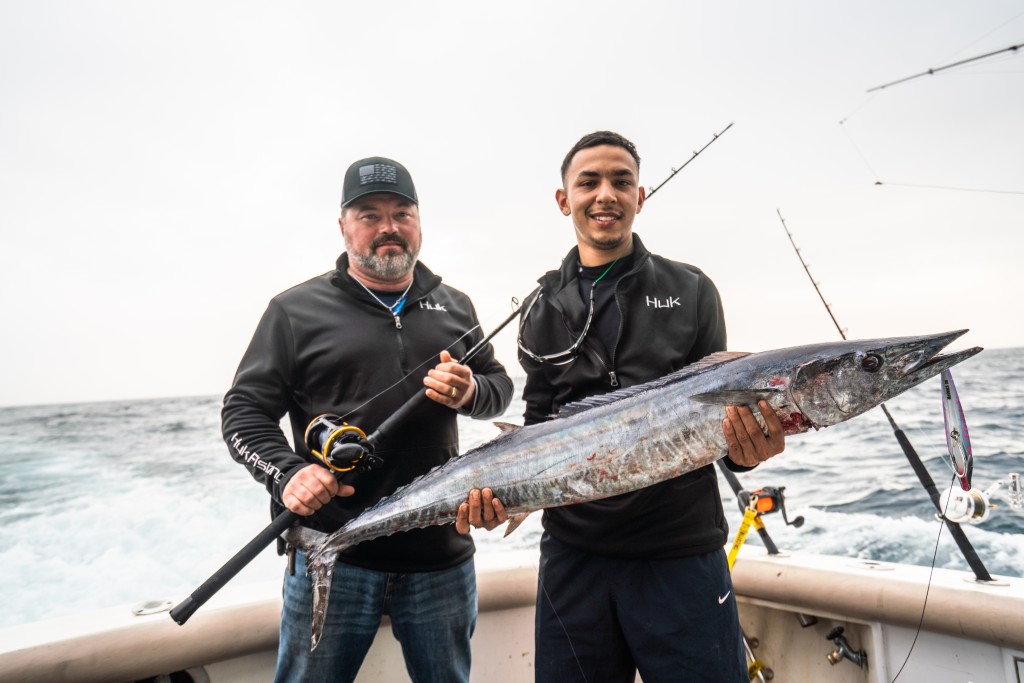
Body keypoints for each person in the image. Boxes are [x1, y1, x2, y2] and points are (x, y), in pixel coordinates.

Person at [222, 156, 513, 683]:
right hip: (333, 557)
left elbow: (499, 391)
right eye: (369, 215)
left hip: (440, 558)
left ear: (419, 221)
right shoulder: (294, 311)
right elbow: (243, 413)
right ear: (343, 226)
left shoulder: (456, 307)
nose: (387, 228)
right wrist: (288, 474)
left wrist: (472, 391)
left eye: (402, 212)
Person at [511, 131, 787, 682]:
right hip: (574, 559)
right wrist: (506, 498)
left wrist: (750, 454)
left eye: (622, 181)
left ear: (642, 195)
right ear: (564, 200)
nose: (605, 194)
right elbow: (536, 429)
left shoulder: (692, 290)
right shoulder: (540, 307)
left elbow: (723, 422)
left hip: (680, 555)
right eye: (588, 182)